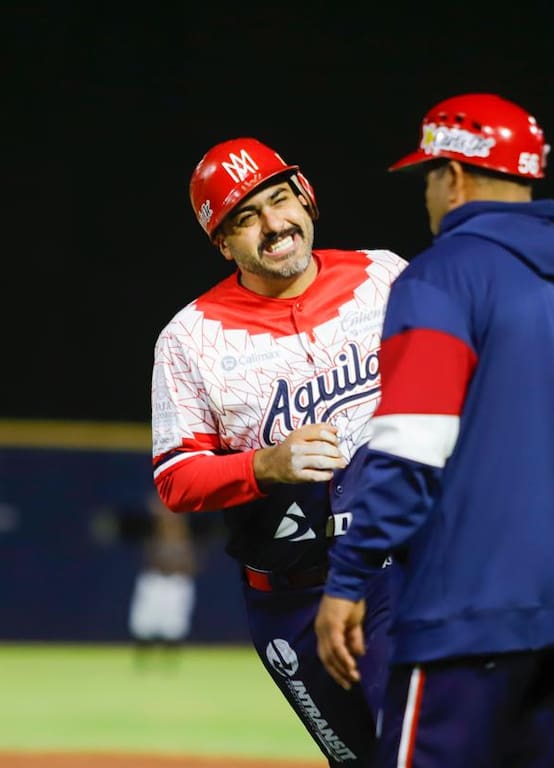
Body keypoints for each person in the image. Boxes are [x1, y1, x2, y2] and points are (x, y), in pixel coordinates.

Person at [314, 92, 554, 767]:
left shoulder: (441, 278)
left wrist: (349, 577)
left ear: (454, 176)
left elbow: (411, 449)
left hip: (465, 621)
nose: (426, 190)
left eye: (427, 174)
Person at [150, 137, 408, 766]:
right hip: (288, 595)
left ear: (306, 197)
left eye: (279, 199)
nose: (274, 225)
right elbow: (176, 479)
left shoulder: (383, 277)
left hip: (399, 569)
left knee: (414, 749)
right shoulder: (190, 338)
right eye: (245, 218)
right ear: (222, 242)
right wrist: (264, 465)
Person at [127, 495, 199, 670]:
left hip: (176, 581)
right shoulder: (156, 530)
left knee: (173, 625)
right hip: (155, 580)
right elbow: (157, 510)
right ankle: (142, 662)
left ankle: (169, 663)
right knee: (144, 623)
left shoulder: (183, 533)